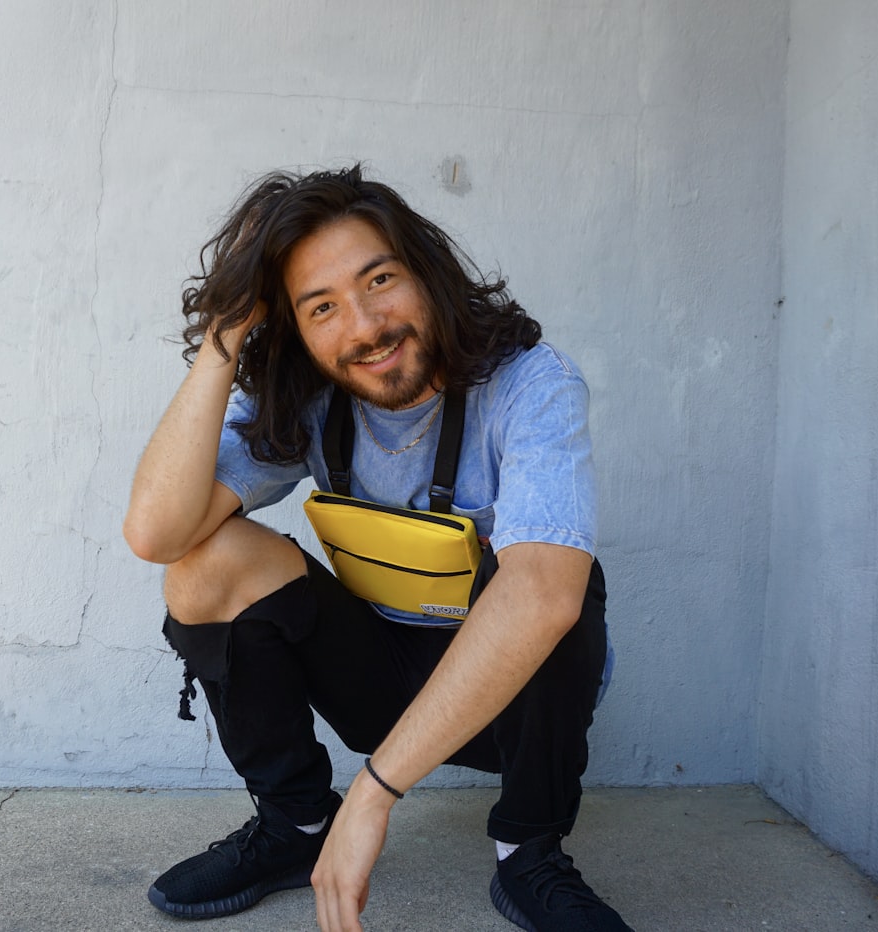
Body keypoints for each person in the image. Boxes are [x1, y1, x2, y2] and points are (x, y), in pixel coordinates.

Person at [123, 164, 631, 932]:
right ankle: (294, 828)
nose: (362, 327)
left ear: (426, 272)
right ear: (291, 327)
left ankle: (529, 852)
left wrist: (373, 795)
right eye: (320, 307)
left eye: (380, 279)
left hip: (518, 708)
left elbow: (543, 597)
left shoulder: (531, 385)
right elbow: (156, 533)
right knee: (205, 561)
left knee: (553, 576)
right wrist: (224, 338)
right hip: (380, 680)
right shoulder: (308, 395)